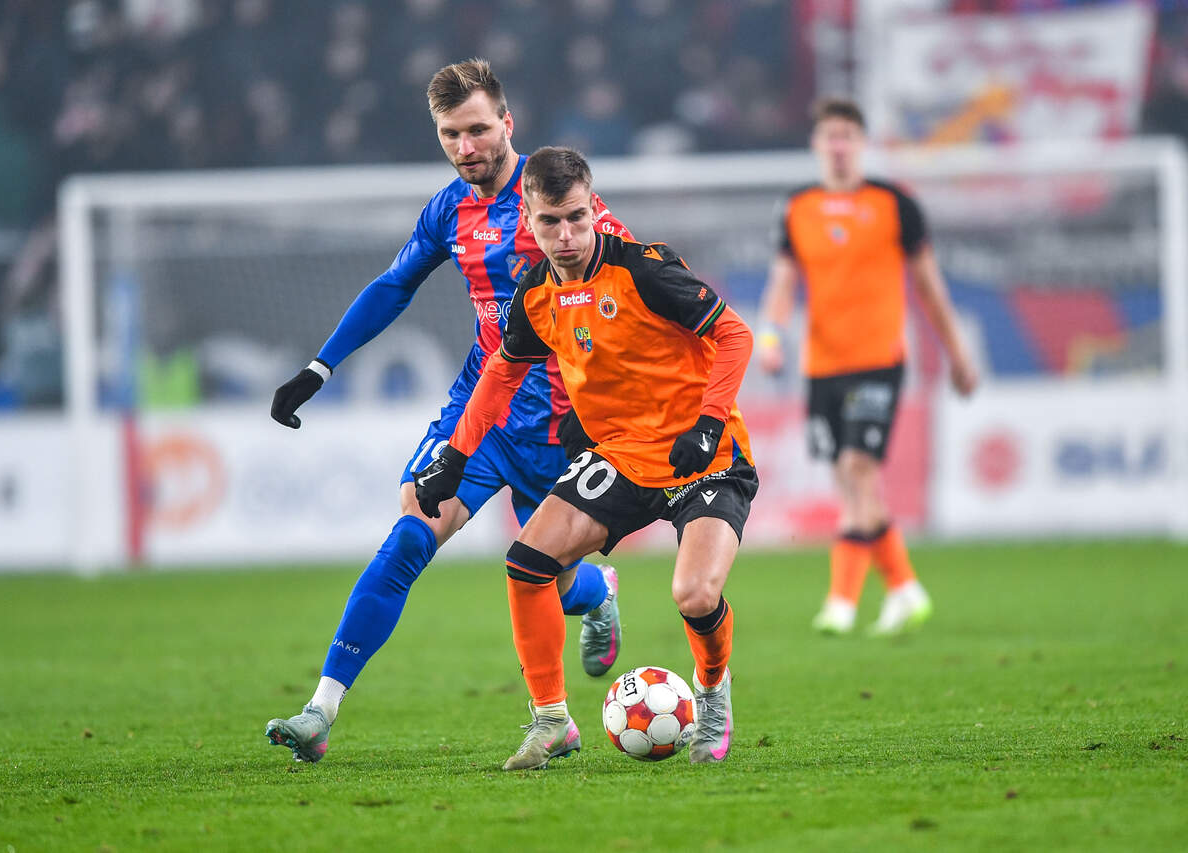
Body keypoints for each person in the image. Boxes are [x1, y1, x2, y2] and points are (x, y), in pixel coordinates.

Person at [264, 60, 631, 763]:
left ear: (508, 124)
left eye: (479, 130)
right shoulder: (447, 210)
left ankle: (594, 592)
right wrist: (320, 366)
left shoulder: (557, 204)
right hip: (481, 413)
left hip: (565, 424)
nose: (466, 147)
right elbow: (393, 285)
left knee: (549, 573)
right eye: (450, 134)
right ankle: (320, 711)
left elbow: (631, 289)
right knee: (411, 532)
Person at [414, 146, 757, 770]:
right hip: (621, 456)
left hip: (701, 457)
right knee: (527, 562)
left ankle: (712, 695)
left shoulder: (645, 270)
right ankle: (551, 721)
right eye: (550, 222)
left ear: (594, 208)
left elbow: (735, 333)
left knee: (694, 595)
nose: (566, 235)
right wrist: (455, 456)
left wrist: (709, 423)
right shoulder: (536, 292)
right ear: (528, 219)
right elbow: (501, 374)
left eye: (577, 217)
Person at [757, 98, 977, 637]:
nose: (838, 146)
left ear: (862, 143)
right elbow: (783, 282)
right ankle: (904, 589)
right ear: (816, 144)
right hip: (821, 365)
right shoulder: (798, 207)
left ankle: (841, 602)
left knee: (859, 469)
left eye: (847, 136)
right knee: (852, 485)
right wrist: (770, 335)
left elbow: (930, 287)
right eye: (829, 135)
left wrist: (958, 354)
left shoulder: (895, 204)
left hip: (879, 360)